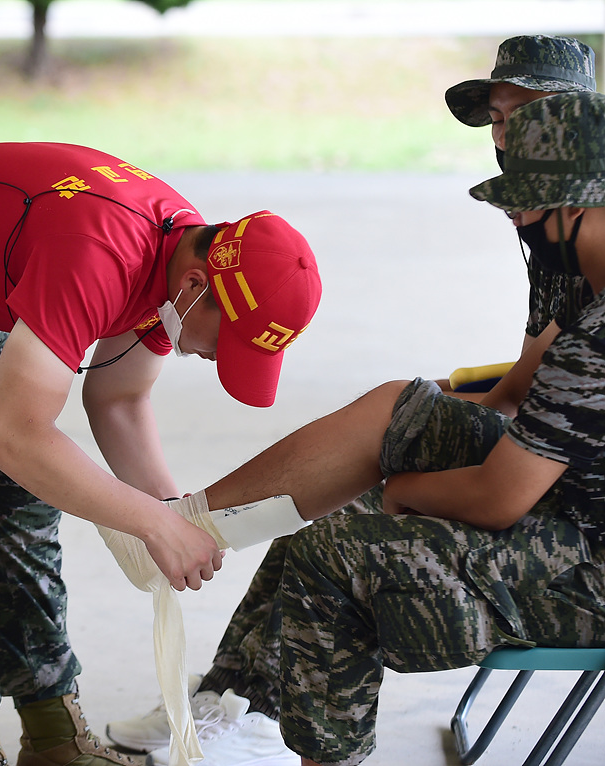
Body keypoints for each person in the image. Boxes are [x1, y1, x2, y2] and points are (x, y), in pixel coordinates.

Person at [104, 33, 599, 766]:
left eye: (524, 116)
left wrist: (401, 490)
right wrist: (414, 428)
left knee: (338, 541)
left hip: (583, 556)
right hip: (570, 488)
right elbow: (523, 395)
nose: (506, 149)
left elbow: (503, 496)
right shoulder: (570, 247)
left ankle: (296, 741)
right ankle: (224, 641)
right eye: (500, 119)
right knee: (398, 409)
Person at [0, 140, 321, 765]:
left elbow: (118, 400)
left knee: (20, 512)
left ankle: (56, 738)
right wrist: (149, 523)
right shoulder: (101, 253)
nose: (215, 358)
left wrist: (174, 517)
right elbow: (16, 437)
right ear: (195, 285)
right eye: (225, 341)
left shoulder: (180, 261)